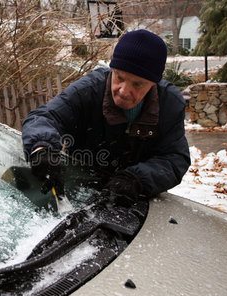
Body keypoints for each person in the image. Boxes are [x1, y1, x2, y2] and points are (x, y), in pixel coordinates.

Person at [21, 29, 191, 206]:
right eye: (119, 77)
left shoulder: (170, 104)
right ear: (112, 69)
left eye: (137, 84)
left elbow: (175, 158)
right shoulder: (88, 90)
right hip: (79, 193)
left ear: (153, 83)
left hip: (135, 202)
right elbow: (45, 117)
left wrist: (136, 179)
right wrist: (42, 147)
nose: (124, 91)